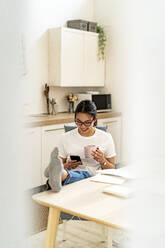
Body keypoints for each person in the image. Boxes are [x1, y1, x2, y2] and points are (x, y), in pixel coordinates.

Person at [44, 100, 116, 192]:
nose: (82, 126)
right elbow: (60, 164)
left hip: (94, 177)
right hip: (71, 174)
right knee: (66, 173)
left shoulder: (106, 137)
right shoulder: (65, 137)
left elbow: (112, 169)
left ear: (94, 119)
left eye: (87, 122)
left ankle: (54, 176)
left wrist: (102, 161)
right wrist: (67, 165)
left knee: (75, 175)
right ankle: (58, 175)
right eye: (78, 122)